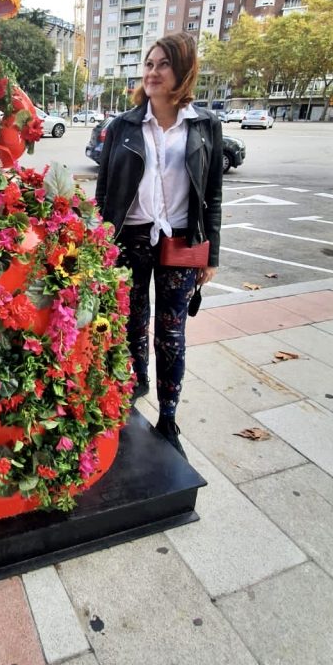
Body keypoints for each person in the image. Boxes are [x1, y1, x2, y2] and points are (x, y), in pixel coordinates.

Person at [95, 33, 222, 456]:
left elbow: (213, 194)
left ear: (183, 71)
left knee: (172, 331)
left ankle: (168, 417)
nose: (152, 72)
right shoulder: (123, 126)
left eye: (162, 64)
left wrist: (212, 253)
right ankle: (136, 383)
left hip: (182, 239)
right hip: (130, 238)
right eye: (148, 64)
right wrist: (101, 244)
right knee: (132, 322)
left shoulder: (205, 126)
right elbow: (104, 192)